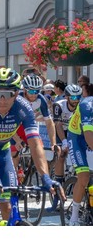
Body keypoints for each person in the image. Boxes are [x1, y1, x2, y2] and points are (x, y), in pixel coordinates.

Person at [0, 68, 62, 225]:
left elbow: (35, 143)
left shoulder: (24, 108)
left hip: (3, 151)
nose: (2, 100)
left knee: (8, 208)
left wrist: (45, 177)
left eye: (8, 94)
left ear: (17, 93)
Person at [48, 84, 82, 212]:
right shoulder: (59, 105)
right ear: (67, 97)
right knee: (62, 154)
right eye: (73, 97)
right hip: (60, 131)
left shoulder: (81, 106)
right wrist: (64, 142)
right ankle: (58, 184)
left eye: (78, 96)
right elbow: (57, 124)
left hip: (74, 131)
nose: (76, 99)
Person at [67, 92, 93, 226]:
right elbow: (89, 136)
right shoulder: (87, 105)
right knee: (84, 177)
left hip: (89, 135)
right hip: (77, 138)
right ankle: (74, 217)